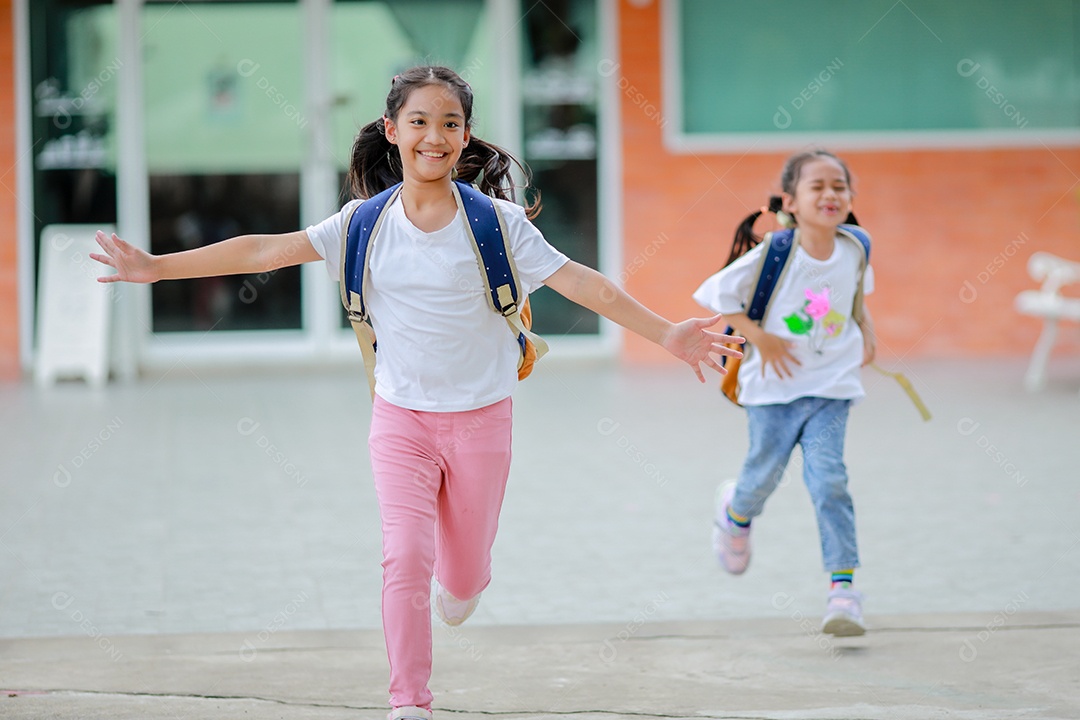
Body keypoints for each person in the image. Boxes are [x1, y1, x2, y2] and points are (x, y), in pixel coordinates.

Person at [91, 66, 743, 719]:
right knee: (403, 556)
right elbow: (266, 252)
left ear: (465, 135)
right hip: (400, 420)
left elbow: (583, 284)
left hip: (483, 423)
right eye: (420, 122)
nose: (435, 136)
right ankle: (410, 702)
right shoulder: (362, 224)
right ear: (392, 130)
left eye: (450, 123)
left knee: (460, 582)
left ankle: (464, 585)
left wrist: (667, 334)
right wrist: (157, 269)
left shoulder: (497, 224)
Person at [692, 149, 876, 637]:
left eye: (839, 185)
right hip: (773, 393)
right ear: (791, 201)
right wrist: (762, 338)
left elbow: (857, 298)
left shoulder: (856, 246)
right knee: (762, 479)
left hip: (832, 389)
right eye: (817, 186)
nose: (830, 194)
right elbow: (715, 296)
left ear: (850, 197)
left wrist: (868, 335)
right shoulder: (777, 252)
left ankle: (844, 590)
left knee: (829, 482)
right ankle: (734, 513)